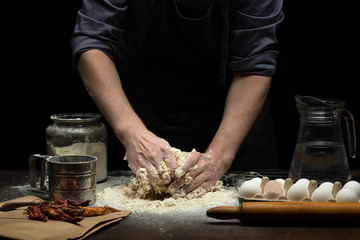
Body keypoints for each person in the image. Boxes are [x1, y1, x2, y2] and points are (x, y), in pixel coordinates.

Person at [71, 0, 284, 196]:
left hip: (235, 120)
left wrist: (218, 158)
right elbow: (93, 42)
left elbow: (255, 63)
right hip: (141, 111)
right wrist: (132, 132)